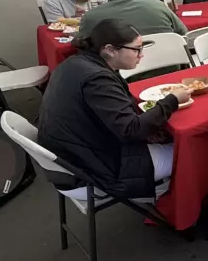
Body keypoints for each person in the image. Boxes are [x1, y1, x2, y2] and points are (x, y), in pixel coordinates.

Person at [38, 19, 191, 199]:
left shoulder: (75, 63)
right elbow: (132, 130)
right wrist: (172, 101)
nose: (141, 55)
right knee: (189, 151)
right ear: (110, 49)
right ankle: (180, 207)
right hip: (91, 170)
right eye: (136, 49)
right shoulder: (97, 79)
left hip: (73, 157)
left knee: (165, 137)